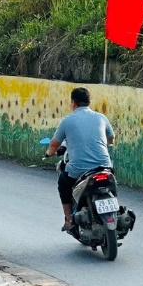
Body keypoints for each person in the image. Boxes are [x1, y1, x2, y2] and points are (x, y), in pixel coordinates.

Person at [46, 87, 115, 231]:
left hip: (79, 170)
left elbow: (54, 144)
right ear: (89, 102)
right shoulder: (101, 117)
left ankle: (69, 220)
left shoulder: (67, 121)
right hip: (105, 167)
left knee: (63, 183)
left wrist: (49, 153)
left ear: (73, 103)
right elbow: (111, 139)